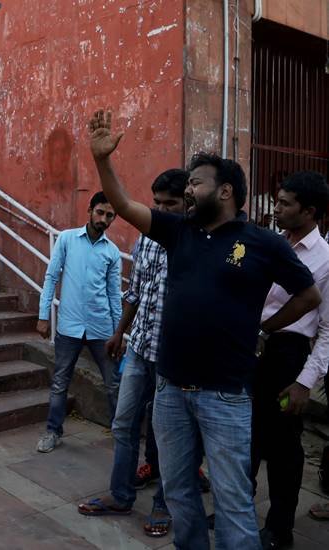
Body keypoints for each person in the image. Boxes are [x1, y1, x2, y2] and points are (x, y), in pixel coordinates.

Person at [88, 110, 321, 550]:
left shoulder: (262, 242)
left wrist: (265, 326)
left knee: (233, 499)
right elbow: (123, 205)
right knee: (178, 492)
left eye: (196, 182)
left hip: (226, 396)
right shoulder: (180, 231)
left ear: (226, 189)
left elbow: (309, 297)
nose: (189, 190)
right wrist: (103, 160)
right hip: (171, 391)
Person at [74, 170, 187, 535]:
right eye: (157, 203)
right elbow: (136, 291)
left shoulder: (195, 242)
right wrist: (119, 332)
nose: (162, 210)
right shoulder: (147, 238)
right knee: (123, 423)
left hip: (174, 356)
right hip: (139, 346)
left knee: (167, 434)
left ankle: (163, 506)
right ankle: (121, 495)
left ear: (187, 204)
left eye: (171, 204)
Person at [251, 171, 329, 550]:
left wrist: (303, 382)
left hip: (287, 357)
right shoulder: (270, 243)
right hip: (252, 350)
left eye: (284, 204)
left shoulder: (326, 259)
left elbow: (328, 330)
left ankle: (279, 529)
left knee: (283, 448)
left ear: (309, 211)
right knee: (245, 439)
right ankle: (237, 508)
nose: (275, 208)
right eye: (276, 201)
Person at [35, 191, 122, 453]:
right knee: (60, 381)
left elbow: (114, 295)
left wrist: (119, 332)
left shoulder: (112, 252)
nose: (103, 219)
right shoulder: (67, 239)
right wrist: (42, 315)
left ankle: (121, 433)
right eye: (100, 212)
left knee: (113, 383)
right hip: (69, 326)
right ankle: (53, 431)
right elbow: (51, 277)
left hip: (101, 328)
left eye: (109, 215)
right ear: (89, 210)